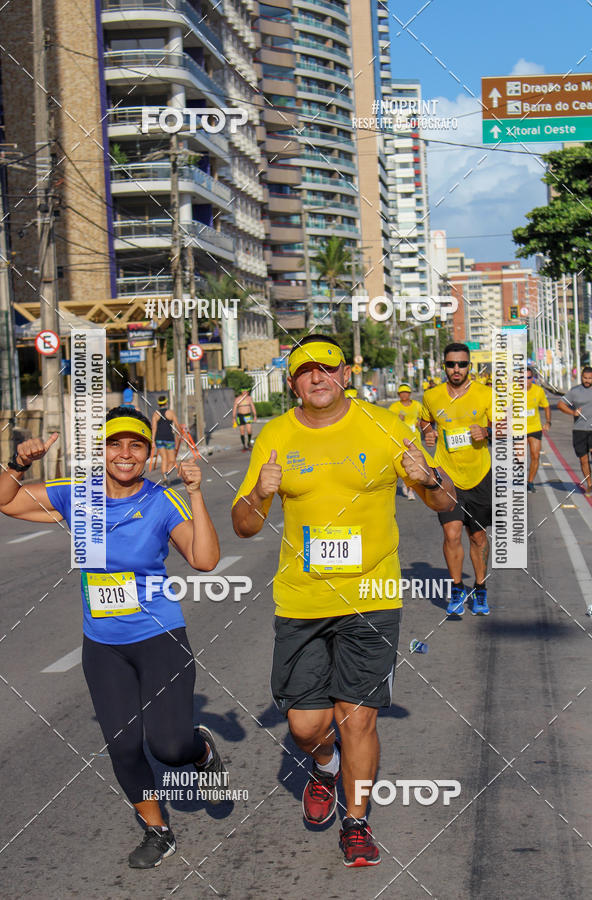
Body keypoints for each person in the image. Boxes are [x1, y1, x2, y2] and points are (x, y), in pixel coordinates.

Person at [231, 335, 455, 868]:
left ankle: (356, 822)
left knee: (357, 718)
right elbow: (242, 526)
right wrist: (260, 493)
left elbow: (445, 502)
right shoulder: (276, 435)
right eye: (306, 372)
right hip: (302, 601)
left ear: (345, 375)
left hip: (372, 597)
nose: (317, 379)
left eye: (327, 369)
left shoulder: (384, 426)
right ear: (292, 384)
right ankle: (324, 767)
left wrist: (431, 477)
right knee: (308, 726)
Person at [0, 407, 226, 869]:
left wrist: (196, 493)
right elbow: (6, 502)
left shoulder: (163, 502)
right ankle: (157, 831)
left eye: (135, 445)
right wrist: (18, 464)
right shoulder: (77, 496)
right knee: (123, 746)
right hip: (102, 645)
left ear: (147, 454)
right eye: (115, 444)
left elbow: (205, 561)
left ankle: (199, 749)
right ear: (101, 451)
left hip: (159, 636)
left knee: (169, 747)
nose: (124, 454)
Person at [421, 342, 494, 617]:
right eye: (451, 364)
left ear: (469, 366)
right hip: (446, 476)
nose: (456, 369)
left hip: (479, 475)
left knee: (477, 537)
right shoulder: (432, 396)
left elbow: (507, 426)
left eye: (462, 364)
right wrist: (427, 433)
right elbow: (425, 421)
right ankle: (456, 589)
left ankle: (480, 588)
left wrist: (486, 431)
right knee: (451, 533)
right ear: (444, 366)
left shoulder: (485, 394)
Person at [557, 366, 592, 497]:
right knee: (583, 460)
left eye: (589, 378)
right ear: (581, 377)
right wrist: (572, 412)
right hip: (579, 429)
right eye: (584, 378)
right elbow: (561, 404)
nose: (587, 380)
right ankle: (589, 485)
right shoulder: (575, 391)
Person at [389, 384, 423, 500]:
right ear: (399, 395)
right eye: (401, 393)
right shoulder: (394, 407)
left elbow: (424, 418)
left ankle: (411, 490)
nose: (404, 395)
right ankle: (405, 482)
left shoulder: (417, 405)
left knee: (413, 463)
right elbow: (389, 422)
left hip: (414, 438)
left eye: (406, 393)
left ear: (409, 394)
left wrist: (420, 422)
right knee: (401, 464)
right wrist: (398, 419)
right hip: (400, 440)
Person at [524, 367, 551, 493]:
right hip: (518, 429)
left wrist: (548, 421)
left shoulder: (538, 391)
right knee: (519, 458)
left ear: (532, 378)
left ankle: (530, 482)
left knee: (535, 455)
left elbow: (546, 406)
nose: (525, 380)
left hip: (534, 428)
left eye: (528, 377)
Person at [151, 395, 181, 481]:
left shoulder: (156, 414)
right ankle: (167, 473)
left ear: (158, 404)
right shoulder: (170, 413)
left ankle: (165, 476)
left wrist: (153, 441)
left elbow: (154, 428)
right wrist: (180, 433)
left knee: (164, 458)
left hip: (159, 439)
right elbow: (177, 425)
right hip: (169, 438)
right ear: (166, 403)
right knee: (172, 460)